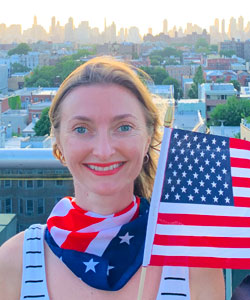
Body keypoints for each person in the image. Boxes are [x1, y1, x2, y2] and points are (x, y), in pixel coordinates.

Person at [0, 57, 225, 299]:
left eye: (124, 127)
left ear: (148, 138)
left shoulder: (192, 262)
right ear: (59, 145)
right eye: (81, 129)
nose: (104, 150)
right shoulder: (15, 263)